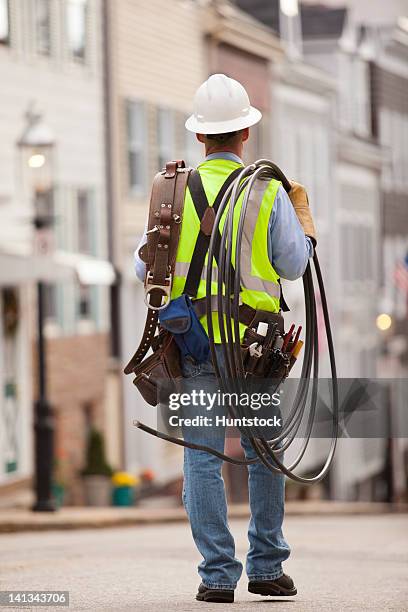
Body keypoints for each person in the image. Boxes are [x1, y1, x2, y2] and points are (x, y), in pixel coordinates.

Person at [134, 74, 314, 603]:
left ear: (199, 137)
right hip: (256, 349)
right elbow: (294, 263)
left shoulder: (168, 190)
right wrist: (302, 220)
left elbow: (145, 267)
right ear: (245, 135)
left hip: (195, 348)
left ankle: (216, 576)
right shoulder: (268, 191)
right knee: (264, 455)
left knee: (202, 456)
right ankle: (265, 567)